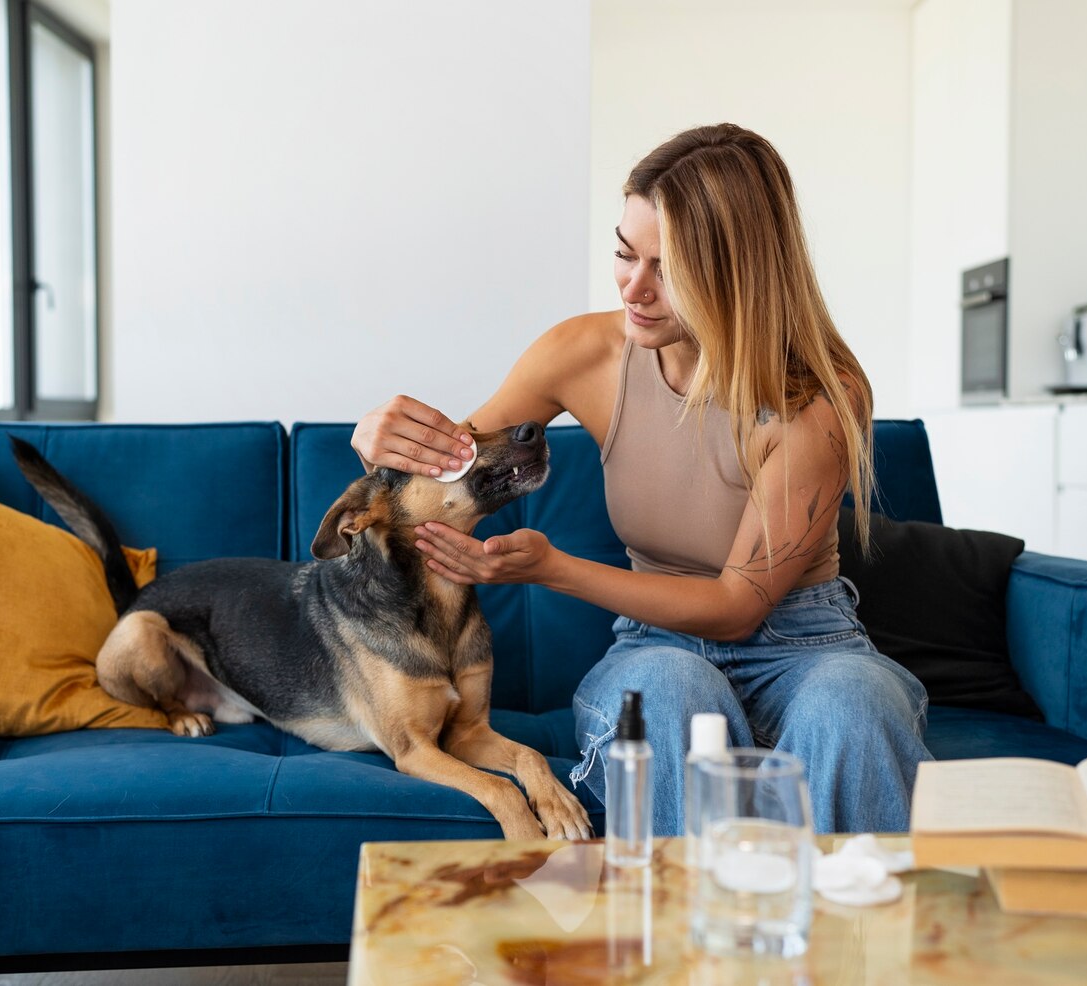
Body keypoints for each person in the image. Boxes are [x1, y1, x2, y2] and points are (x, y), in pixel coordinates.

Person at [351, 123, 932, 835]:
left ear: (739, 274)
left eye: (669, 269)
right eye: (626, 254)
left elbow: (736, 606)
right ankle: (675, 941)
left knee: (854, 705)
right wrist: (378, 440)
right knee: (670, 689)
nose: (635, 287)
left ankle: (861, 942)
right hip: (658, 646)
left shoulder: (816, 397)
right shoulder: (584, 352)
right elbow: (450, 466)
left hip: (808, 648)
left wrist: (555, 570)